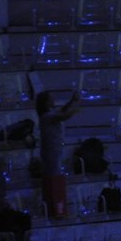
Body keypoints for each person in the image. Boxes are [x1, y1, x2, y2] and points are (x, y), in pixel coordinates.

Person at [35, 89, 80, 218]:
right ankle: (56, 210)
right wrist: (74, 110)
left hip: (53, 151)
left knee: (54, 178)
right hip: (51, 152)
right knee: (54, 180)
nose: (53, 100)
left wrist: (72, 101)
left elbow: (61, 111)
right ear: (46, 103)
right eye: (51, 99)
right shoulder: (47, 116)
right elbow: (63, 115)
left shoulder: (49, 114)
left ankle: (55, 208)